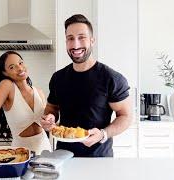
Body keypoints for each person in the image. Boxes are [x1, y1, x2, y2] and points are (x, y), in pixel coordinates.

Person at [41, 14, 133, 157]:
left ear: (92, 41)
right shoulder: (58, 78)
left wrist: (104, 133)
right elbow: (52, 108)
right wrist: (49, 118)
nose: (75, 45)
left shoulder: (111, 78)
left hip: (98, 159)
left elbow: (126, 116)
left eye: (81, 37)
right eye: (70, 38)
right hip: (63, 158)